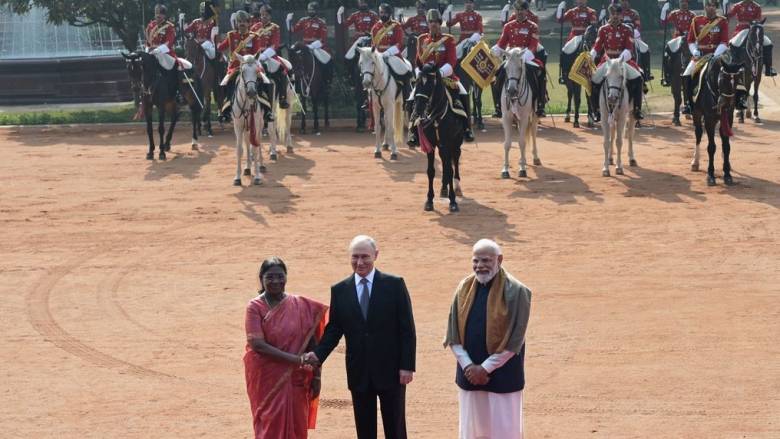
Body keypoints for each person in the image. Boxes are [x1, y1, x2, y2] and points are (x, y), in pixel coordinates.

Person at [303, 235, 416, 439]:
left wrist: (407, 366)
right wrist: (318, 356)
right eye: (355, 257)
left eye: (365, 257)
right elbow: (335, 329)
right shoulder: (340, 290)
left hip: (391, 370)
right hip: (359, 370)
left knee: (395, 427)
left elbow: (407, 329)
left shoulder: (394, 285)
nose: (360, 262)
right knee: (364, 429)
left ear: (376, 256)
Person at [444, 239, 532, 439]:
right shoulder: (464, 287)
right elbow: (453, 333)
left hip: (503, 376)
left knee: (504, 431)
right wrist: (469, 367)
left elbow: (514, 341)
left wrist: (484, 368)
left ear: (499, 259)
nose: (480, 266)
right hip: (470, 376)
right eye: (476, 261)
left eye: (486, 260)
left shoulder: (518, 292)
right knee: (472, 431)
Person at [244, 257, 328, 439]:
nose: (276, 281)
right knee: (268, 424)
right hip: (267, 380)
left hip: (297, 380)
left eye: (280, 276)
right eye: (270, 277)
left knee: (297, 424)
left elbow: (313, 341)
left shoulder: (301, 306)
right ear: (261, 278)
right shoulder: (254, 307)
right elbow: (258, 345)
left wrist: (317, 376)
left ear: (286, 277)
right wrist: (297, 361)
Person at [407, 8, 475, 147]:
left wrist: (439, 74)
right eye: (431, 21)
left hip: (445, 76)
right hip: (426, 77)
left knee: (463, 92)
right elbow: (418, 61)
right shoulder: (422, 39)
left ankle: (467, 127)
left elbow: (452, 61)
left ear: (440, 23)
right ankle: (412, 130)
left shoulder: (448, 40)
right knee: (412, 97)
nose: (434, 24)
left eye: (436, 22)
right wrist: (420, 73)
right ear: (428, 23)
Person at [492, 1, 548, 117]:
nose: (519, 12)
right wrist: (496, 49)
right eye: (517, 10)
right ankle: (498, 106)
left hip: (526, 56)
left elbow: (533, 44)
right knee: (497, 75)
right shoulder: (508, 26)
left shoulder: (533, 26)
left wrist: (525, 55)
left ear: (526, 11)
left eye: (522, 10)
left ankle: (541, 105)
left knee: (540, 74)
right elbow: (502, 42)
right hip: (512, 57)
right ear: (514, 11)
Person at [684, 1, 744, 110]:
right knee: (687, 74)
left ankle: (739, 100)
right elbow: (690, 41)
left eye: (713, 6)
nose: (711, 8)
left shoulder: (722, 21)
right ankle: (689, 103)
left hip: (718, 54)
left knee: (735, 71)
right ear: (705, 6)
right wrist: (694, 52)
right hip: (701, 55)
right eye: (709, 5)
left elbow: (725, 41)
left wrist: (715, 55)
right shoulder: (696, 21)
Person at [590, 4, 645, 120]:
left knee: (638, 78)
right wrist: (590, 57)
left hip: (623, 61)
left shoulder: (627, 29)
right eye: (613, 14)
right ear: (610, 15)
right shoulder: (603, 29)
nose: (615, 16)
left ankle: (637, 109)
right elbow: (596, 47)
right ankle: (596, 109)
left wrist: (619, 60)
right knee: (593, 79)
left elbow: (629, 49)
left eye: (617, 14)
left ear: (621, 15)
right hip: (607, 61)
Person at [217, 10, 273, 122]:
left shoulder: (254, 36)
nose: (242, 24)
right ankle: (224, 111)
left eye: (244, 22)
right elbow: (220, 48)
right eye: (239, 22)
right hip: (236, 67)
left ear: (248, 23)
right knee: (224, 83)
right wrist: (216, 38)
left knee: (266, 81)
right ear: (237, 23)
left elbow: (256, 52)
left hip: (251, 67)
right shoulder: (231, 35)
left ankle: (268, 110)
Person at [251, 4, 291, 109]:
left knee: (282, 71)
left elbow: (274, 46)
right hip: (256, 56)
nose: (263, 16)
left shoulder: (275, 28)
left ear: (270, 16)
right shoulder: (255, 27)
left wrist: (263, 56)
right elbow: (249, 42)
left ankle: (282, 98)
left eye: (265, 15)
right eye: (261, 14)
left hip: (269, 56)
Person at [727, 0, 776, 76]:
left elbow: (758, 19)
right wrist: (727, 13)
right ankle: (733, 64)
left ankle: (768, 68)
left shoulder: (757, 7)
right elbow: (729, 15)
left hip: (754, 30)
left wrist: (753, 24)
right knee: (733, 43)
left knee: (768, 43)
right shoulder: (737, 6)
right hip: (741, 30)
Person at [661, 0, 696, 90]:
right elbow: (663, 22)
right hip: (677, 39)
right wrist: (664, 10)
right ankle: (667, 76)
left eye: (685, 2)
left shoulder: (692, 15)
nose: (683, 4)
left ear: (688, 4)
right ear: (679, 3)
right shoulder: (674, 14)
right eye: (681, 2)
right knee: (666, 52)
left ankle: (696, 76)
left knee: (696, 54)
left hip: (689, 39)